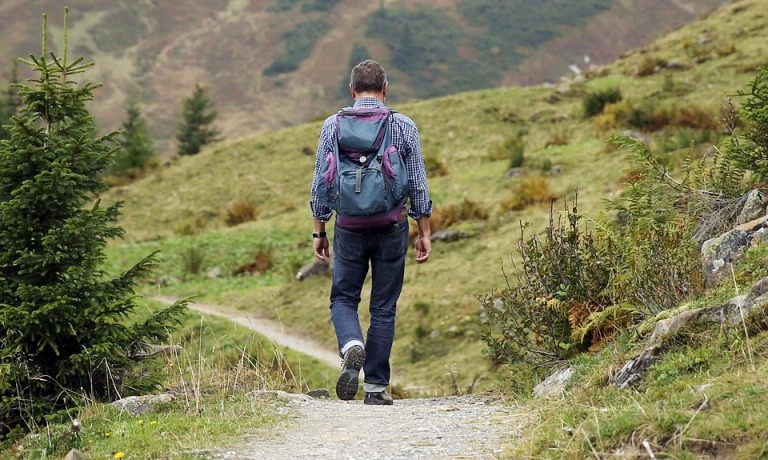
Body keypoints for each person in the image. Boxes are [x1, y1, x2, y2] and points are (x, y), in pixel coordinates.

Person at [309, 59, 432, 405]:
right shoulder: (403, 125)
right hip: (392, 225)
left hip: (348, 226)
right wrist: (424, 231)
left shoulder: (332, 126)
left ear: (352, 90)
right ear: (385, 88)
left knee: (343, 298)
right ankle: (376, 388)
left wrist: (319, 230)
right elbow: (419, 184)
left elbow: (321, 182)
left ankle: (351, 344)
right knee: (384, 306)